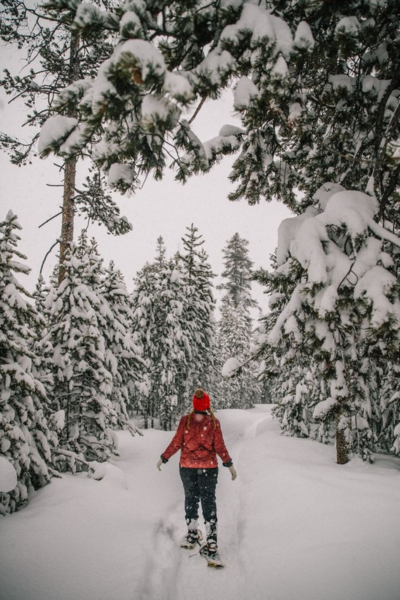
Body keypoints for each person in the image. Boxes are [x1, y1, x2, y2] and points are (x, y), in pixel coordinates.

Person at [156, 387, 237, 558]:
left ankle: (192, 533)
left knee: (190, 498)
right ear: (207, 405)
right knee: (208, 501)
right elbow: (220, 447)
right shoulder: (213, 423)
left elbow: (176, 442)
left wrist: (164, 458)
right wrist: (229, 464)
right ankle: (212, 540)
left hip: (187, 468)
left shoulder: (186, 421)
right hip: (208, 468)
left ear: (194, 405)